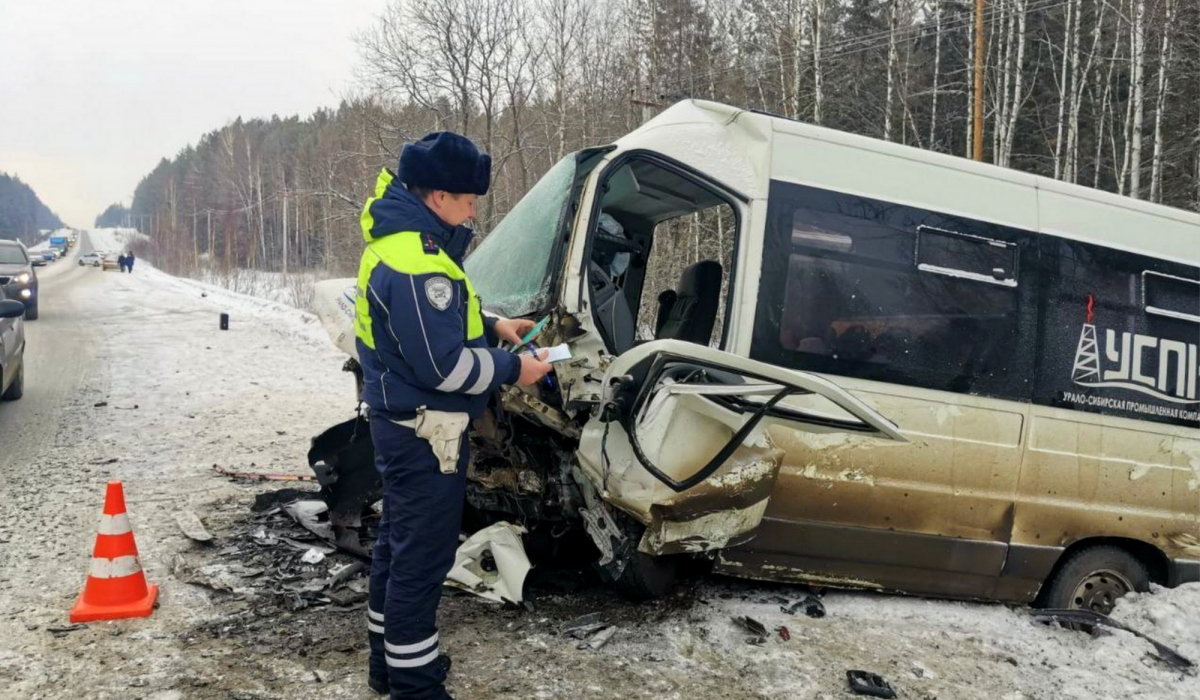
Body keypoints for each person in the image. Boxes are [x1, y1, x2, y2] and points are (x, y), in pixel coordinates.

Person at [354, 131, 552, 700]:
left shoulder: (404, 244)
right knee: (423, 558)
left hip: (404, 425)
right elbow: (443, 366)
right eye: (468, 201)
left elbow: (431, 319)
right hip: (426, 432)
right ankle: (414, 686)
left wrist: (493, 325)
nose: (472, 212)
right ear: (438, 196)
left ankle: (386, 665)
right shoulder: (417, 260)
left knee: (398, 543)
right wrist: (517, 370)